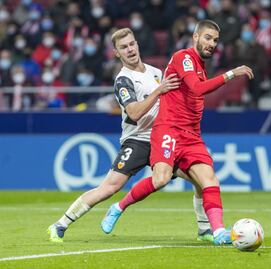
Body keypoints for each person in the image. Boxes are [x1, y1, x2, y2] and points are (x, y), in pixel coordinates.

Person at [47, 28, 213, 243]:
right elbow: (134, 112)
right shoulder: (123, 80)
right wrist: (158, 92)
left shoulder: (156, 72)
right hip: (138, 140)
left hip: (163, 138)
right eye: (123, 47)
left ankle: (204, 230)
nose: (130, 49)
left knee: (200, 180)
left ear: (137, 44)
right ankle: (60, 224)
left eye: (132, 44)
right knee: (110, 187)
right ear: (117, 53)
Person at [101, 20, 254, 245]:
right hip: (168, 129)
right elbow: (197, 88)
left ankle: (218, 231)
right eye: (207, 38)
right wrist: (231, 74)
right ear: (195, 37)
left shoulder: (200, 65)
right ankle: (118, 207)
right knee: (161, 179)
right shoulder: (184, 57)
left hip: (191, 135)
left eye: (215, 40)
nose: (211, 43)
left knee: (209, 181)